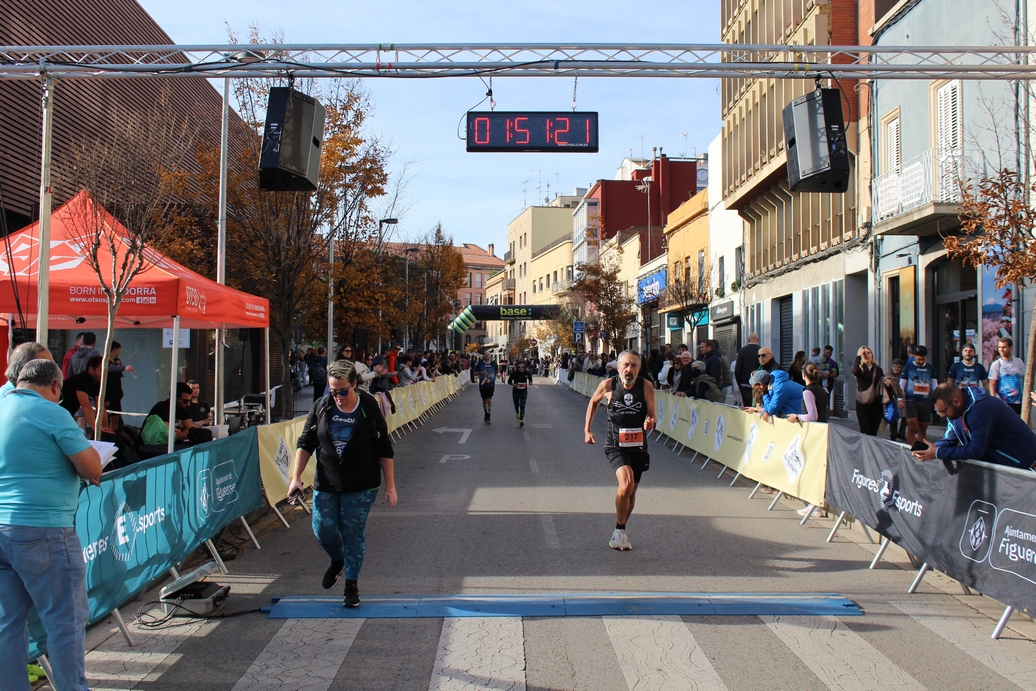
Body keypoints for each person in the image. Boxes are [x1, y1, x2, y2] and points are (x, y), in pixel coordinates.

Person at [0, 358, 101, 691]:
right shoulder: (51, 412)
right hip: (44, 528)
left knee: (8, 623)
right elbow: (92, 468)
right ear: (56, 386)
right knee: (64, 622)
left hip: (3, 526)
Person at [288, 359, 396, 608]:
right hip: (327, 481)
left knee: (352, 532)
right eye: (333, 390)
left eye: (343, 391)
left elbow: (384, 447)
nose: (337, 396)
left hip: (361, 482)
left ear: (355, 384)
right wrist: (296, 477)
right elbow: (306, 442)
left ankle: (351, 586)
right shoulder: (322, 405)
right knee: (322, 529)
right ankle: (338, 559)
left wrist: (390, 486)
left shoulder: (368, 406)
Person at [584, 350, 656, 551]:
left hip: (638, 446)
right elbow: (593, 402)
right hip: (616, 444)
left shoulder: (646, 386)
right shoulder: (608, 385)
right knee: (626, 484)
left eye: (634, 365)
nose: (629, 369)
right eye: (626, 365)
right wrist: (587, 430)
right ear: (618, 367)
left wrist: (650, 422)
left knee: (631, 493)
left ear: (639, 368)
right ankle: (619, 530)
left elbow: (652, 415)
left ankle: (621, 529)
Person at [912, 382, 1036, 470]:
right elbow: (950, 439)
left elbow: (976, 450)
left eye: (943, 411)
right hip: (1007, 467)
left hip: (1027, 464)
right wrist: (929, 450)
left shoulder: (980, 409)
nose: (942, 416)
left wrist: (938, 452)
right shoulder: (955, 411)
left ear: (956, 402)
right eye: (938, 412)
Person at [897, 345, 937, 446]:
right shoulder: (908, 367)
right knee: (911, 425)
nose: (921, 361)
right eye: (919, 359)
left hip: (925, 401)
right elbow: (901, 385)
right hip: (911, 401)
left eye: (923, 359)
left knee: (922, 428)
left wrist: (937, 399)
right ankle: (910, 448)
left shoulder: (930, 368)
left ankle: (921, 449)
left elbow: (935, 385)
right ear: (914, 356)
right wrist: (900, 399)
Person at [60, 355, 109, 434]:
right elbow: (86, 406)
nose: (104, 374)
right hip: (55, 413)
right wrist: (98, 430)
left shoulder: (96, 382)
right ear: (90, 370)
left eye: (106, 370)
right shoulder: (82, 380)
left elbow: (100, 407)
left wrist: (106, 428)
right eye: (101, 370)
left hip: (66, 415)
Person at [851, 346, 884, 436]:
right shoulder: (860, 369)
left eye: (868, 353)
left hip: (875, 403)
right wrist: (858, 356)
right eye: (864, 354)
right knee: (865, 431)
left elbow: (881, 384)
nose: (867, 355)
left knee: (873, 432)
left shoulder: (878, 369)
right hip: (862, 403)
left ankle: (872, 445)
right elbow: (854, 371)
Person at [988, 337, 1026, 415]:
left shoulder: (1019, 362)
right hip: (1004, 401)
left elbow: (1024, 380)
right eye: (999, 347)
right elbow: (992, 384)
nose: (1001, 350)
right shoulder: (997, 364)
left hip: (1019, 401)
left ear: (1011, 348)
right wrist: (993, 401)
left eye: (1004, 347)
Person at [882, 359, 907, 442]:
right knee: (893, 416)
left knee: (905, 416)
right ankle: (893, 434)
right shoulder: (888, 374)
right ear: (892, 367)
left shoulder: (903, 375)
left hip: (902, 397)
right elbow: (884, 382)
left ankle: (901, 433)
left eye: (899, 367)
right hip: (891, 398)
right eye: (895, 366)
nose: (896, 369)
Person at [734, 333, 762, 405]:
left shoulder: (742, 351)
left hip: (744, 383)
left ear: (748, 340)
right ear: (758, 340)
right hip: (758, 383)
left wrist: (739, 382)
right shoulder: (761, 351)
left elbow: (738, 368)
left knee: (747, 405)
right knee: (758, 404)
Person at [473, 352, 498, 423]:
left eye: (488, 354)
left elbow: (497, 370)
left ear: (490, 356)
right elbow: (474, 373)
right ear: (484, 356)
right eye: (485, 354)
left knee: (489, 400)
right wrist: (480, 373)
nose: (487, 356)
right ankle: (486, 412)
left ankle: (488, 416)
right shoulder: (480, 364)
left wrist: (498, 374)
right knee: (484, 401)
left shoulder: (493, 364)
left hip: (491, 385)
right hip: (482, 385)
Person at [508, 360, 533, 427]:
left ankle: (521, 420)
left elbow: (530, 377)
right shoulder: (514, 373)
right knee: (516, 404)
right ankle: (517, 413)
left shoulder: (526, 373)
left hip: (523, 391)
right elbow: (509, 381)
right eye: (519, 367)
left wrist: (530, 382)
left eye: (522, 367)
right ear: (517, 367)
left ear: (524, 367)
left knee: (522, 405)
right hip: (516, 391)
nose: (521, 368)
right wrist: (513, 384)